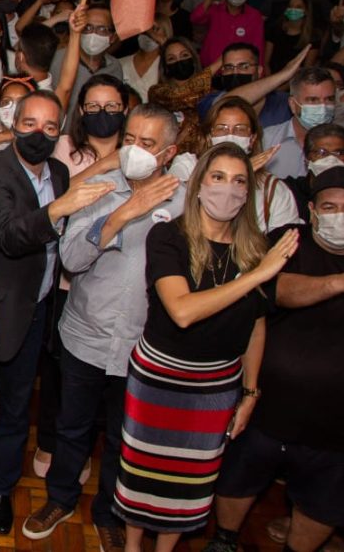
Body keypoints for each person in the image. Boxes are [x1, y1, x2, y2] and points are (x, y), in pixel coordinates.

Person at [115, 143, 298, 551]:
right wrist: (258, 275)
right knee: (143, 472)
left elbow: (256, 325)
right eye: (218, 178)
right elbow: (181, 311)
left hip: (216, 384)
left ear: (248, 193)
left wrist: (250, 391)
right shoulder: (167, 237)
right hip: (160, 376)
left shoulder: (255, 251)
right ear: (199, 185)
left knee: (190, 480)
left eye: (239, 181)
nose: (227, 190)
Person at [22, 105, 185, 552]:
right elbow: (72, 262)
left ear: (169, 152)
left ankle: (109, 514)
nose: (134, 150)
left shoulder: (184, 200)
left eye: (148, 144)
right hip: (85, 336)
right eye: (129, 139)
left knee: (122, 438)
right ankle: (59, 500)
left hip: (145, 346)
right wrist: (120, 215)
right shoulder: (96, 189)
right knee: (71, 426)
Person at [0, 90, 113, 534]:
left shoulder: (61, 172)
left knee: (14, 410)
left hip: (34, 311)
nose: (39, 134)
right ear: (13, 123)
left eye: (50, 127)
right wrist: (59, 209)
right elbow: (9, 235)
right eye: (30, 124)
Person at [203, 166, 344, 552]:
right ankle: (224, 539)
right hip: (267, 406)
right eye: (330, 207)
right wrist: (339, 282)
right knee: (237, 479)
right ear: (313, 211)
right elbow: (274, 289)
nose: (339, 215)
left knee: (323, 498)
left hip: (335, 426)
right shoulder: (288, 240)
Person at [171, 95, 302, 233]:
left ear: (252, 139)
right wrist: (242, 172)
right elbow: (175, 209)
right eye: (222, 128)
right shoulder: (186, 165)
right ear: (210, 136)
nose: (231, 135)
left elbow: (286, 244)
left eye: (240, 129)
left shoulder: (273, 189)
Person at [263, 66, 337, 180]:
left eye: (329, 99)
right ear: (292, 104)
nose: (323, 107)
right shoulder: (266, 140)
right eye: (313, 100)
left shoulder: (343, 143)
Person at [191, 0, 264, 67]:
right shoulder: (214, 10)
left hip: (239, 70)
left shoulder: (254, 15)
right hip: (210, 69)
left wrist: (258, 72)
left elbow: (258, 46)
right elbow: (195, 18)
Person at [281, 123, 344, 223]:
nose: (331, 159)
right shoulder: (288, 191)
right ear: (307, 158)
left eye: (339, 153)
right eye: (322, 152)